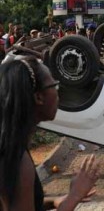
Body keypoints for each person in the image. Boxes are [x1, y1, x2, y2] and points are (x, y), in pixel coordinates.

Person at [0, 57, 99, 210]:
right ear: (38, 97)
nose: (58, 93)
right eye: (55, 86)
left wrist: (52, 201)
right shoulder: (17, 161)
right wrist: (74, 196)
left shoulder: (9, 146)